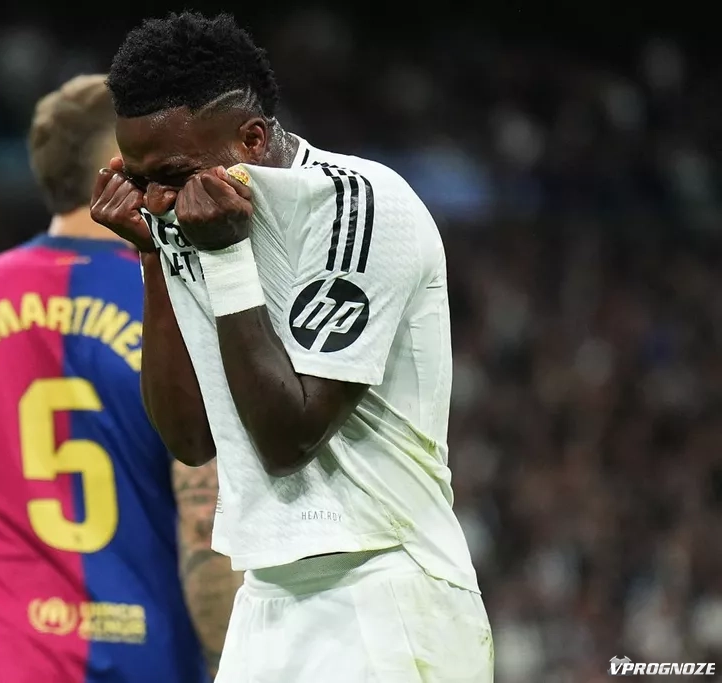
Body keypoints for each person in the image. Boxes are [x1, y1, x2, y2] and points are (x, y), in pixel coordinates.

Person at [91, 12, 494, 683]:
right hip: (267, 596)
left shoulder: (362, 207)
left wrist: (223, 258)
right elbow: (189, 438)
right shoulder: (186, 217)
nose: (157, 199)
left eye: (172, 174)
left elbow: (288, 437)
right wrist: (154, 256)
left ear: (251, 139)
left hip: (387, 590)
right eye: (139, 180)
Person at [0, 74, 236, 683]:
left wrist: (13, 584)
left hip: (3, 660)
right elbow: (202, 525)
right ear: (118, 164)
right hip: (148, 658)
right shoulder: (173, 300)